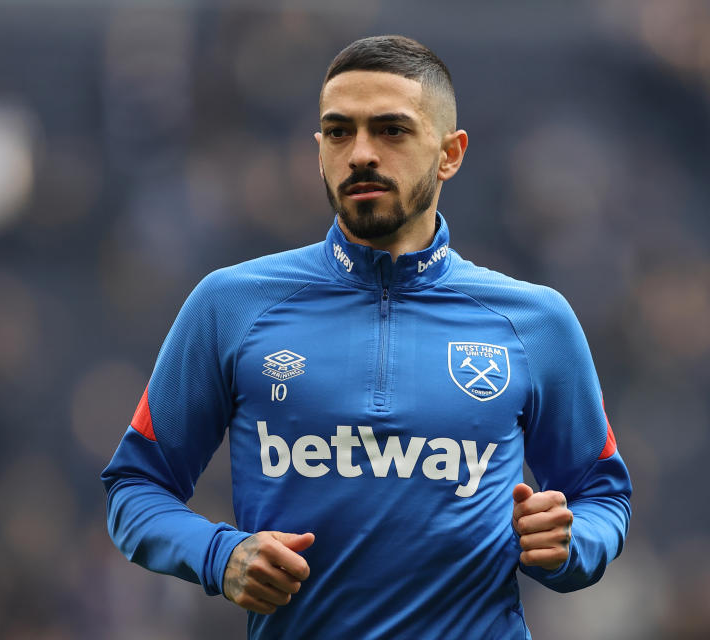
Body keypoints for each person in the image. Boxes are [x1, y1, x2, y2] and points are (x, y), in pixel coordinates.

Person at [101, 35, 631, 639]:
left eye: (391, 131)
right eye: (338, 132)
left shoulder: (536, 320)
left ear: (449, 154)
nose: (360, 154)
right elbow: (135, 488)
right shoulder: (230, 305)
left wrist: (569, 544)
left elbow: (602, 496)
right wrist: (220, 555)